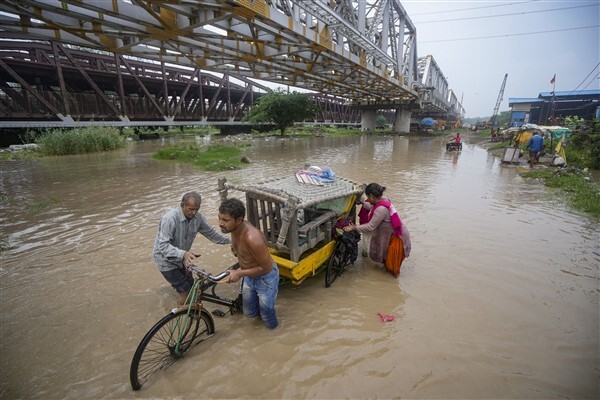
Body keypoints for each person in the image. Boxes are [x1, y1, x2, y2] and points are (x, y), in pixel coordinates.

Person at [152, 192, 232, 306]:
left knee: (192, 284)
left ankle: (191, 311)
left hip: (182, 259)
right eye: (190, 209)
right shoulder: (170, 219)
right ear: (182, 205)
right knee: (185, 289)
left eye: (197, 209)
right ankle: (182, 317)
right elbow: (162, 247)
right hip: (165, 260)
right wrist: (184, 254)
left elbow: (212, 234)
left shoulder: (198, 218)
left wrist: (231, 241)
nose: (193, 213)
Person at [218, 198, 279, 329]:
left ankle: (274, 335)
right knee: (250, 313)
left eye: (225, 220)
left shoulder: (252, 237)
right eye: (220, 219)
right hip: (249, 276)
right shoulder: (234, 229)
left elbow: (266, 267)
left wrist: (239, 273)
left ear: (239, 220)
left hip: (265, 278)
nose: (220, 224)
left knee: (267, 315)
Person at [344, 183, 411, 278]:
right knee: (387, 261)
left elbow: (370, 226)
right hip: (394, 234)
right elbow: (372, 208)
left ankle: (390, 285)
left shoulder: (381, 209)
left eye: (368, 198)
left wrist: (354, 227)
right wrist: (363, 203)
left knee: (392, 266)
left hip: (398, 237)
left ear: (371, 196)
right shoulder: (383, 200)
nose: (368, 200)